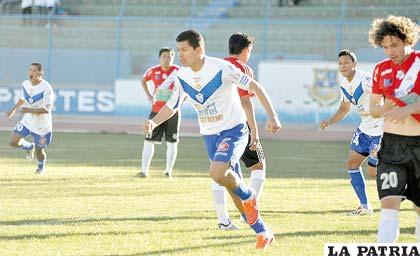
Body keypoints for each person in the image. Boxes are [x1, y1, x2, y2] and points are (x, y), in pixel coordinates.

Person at [144, 30, 281, 249]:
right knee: (229, 185)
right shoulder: (181, 76)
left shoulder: (222, 68)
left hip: (234, 130)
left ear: (199, 50)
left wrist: (272, 116)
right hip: (209, 135)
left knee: (217, 173)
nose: (180, 54)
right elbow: (172, 106)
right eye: (178, 50)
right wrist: (154, 122)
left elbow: (254, 87)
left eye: (184, 50)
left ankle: (249, 196)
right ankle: (263, 231)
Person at [368, 15, 420, 242]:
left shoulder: (419, 64)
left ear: (408, 40)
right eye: (385, 46)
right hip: (391, 146)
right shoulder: (381, 70)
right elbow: (373, 109)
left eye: (395, 45)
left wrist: (406, 109)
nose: (390, 51)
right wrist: (387, 106)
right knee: (389, 205)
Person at [212, 32, 268, 230]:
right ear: (245, 50)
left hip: (217, 128)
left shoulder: (217, 65)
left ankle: (223, 220)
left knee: (220, 172)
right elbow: (245, 101)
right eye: (250, 50)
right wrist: (255, 131)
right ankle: (250, 212)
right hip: (239, 128)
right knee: (259, 167)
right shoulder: (243, 68)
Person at [320, 49, 383, 216]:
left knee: (373, 172)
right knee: (352, 165)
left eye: (347, 62)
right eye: (340, 63)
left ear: (355, 64)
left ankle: (403, 184)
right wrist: (329, 121)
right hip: (364, 129)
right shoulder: (344, 84)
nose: (343, 65)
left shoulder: (366, 79)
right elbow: (344, 108)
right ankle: (365, 206)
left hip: (381, 128)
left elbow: (384, 92)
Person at [137, 47, 180, 178]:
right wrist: (149, 96)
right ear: (160, 58)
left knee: (172, 142)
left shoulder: (179, 72)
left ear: (174, 57)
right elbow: (143, 80)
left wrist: (181, 100)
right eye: (165, 56)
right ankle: (144, 171)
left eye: (170, 56)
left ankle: (168, 171)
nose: (168, 59)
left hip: (172, 112)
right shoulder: (153, 71)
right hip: (156, 111)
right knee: (148, 140)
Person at [7, 63, 54, 175]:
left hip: (42, 126)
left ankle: (40, 168)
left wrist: (29, 110)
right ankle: (29, 146)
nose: (31, 73)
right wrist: (13, 109)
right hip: (28, 121)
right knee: (13, 142)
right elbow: (23, 99)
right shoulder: (25, 84)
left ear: (40, 73)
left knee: (39, 151)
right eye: (30, 70)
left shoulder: (46, 88)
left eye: (34, 70)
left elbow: (46, 109)